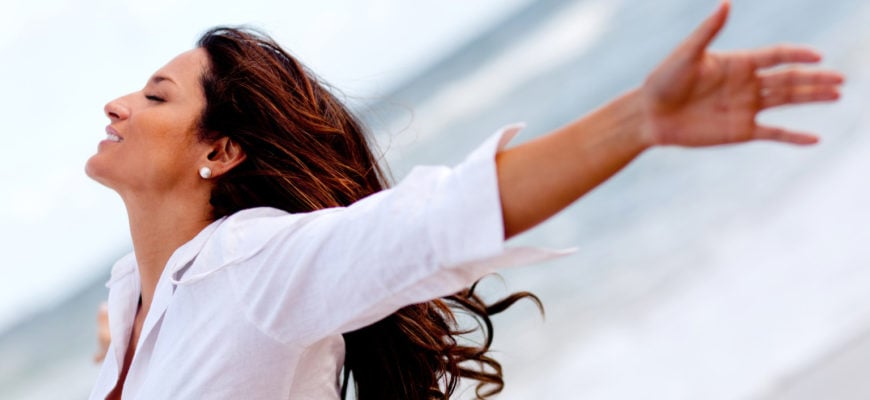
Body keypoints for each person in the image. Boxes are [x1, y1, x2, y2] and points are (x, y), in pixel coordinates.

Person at [86, 2, 843, 399]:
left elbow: (437, 224)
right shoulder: (135, 304)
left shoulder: (252, 269)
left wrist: (637, 121)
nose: (117, 105)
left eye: (155, 96)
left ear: (219, 151)